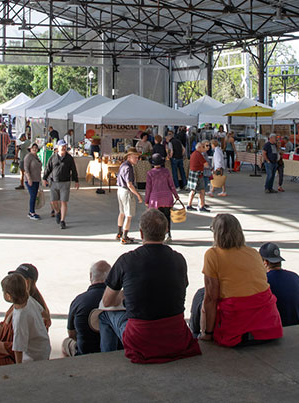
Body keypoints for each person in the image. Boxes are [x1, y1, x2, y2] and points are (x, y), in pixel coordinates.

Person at [97, 208, 201, 364]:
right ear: (166, 231)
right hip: (176, 336)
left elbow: (107, 301)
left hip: (141, 340)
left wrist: (125, 294)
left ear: (141, 233)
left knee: (104, 314)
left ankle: (107, 359)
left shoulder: (126, 261)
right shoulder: (179, 259)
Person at [197, 214, 282, 347]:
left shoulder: (213, 254)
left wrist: (208, 333)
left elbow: (211, 298)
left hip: (236, 330)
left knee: (202, 298)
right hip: (268, 326)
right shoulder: (253, 252)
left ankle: (203, 334)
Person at [63, 260, 110, 357]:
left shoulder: (78, 301)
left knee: (65, 343)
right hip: (113, 352)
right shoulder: (119, 299)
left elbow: (71, 334)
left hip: (84, 353)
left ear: (90, 276)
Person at [2, 273, 51, 363]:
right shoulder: (30, 299)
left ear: (8, 296)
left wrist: (19, 366)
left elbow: (18, 347)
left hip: (33, 357)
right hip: (44, 347)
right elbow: (44, 314)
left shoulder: (19, 318)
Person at [259, 243, 299, 327]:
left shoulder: (264, 282)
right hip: (298, 328)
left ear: (265, 262)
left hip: (279, 331)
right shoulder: (295, 277)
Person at [42, 141, 79, 229]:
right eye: (62, 146)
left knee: (63, 202)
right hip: (54, 182)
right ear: (57, 148)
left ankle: (62, 220)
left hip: (65, 183)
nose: (63, 148)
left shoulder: (69, 158)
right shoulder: (53, 158)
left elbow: (73, 170)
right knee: (53, 201)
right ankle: (57, 212)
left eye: (65, 146)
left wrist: (76, 181)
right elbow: (48, 168)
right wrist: (44, 178)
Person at [145, 153, 178, 244]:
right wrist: (176, 195)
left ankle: (158, 236)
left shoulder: (150, 173)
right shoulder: (166, 171)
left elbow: (148, 188)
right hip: (167, 197)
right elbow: (171, 184)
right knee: (167, 217)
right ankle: (168, 234)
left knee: (156, 218)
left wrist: (146, 200)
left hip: (155, 199)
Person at [115, 151, 143, 244]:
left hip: (120, 190)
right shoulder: (128, 168)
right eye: (135, 157)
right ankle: (124, 237)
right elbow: (129, 184)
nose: (137, 159)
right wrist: (138, 195)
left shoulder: (123, 165)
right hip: (126, 192)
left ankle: (119, 233)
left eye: (137, 157)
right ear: (129, 157)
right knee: (129, 215)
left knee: (122, 212)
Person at [186, 140, 211, 212]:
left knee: (193, 191)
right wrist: (210, 167)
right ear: (199, 148)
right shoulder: (199, 154)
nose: (204, 148)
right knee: (202, 190)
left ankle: (189, 205)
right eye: (203, 147)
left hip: (193, 173)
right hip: (198, 174)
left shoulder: (193, 154)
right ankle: (201, 206)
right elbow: (206, 164)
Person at [22, 142, 42, 220]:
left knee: (35, 196)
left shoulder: (36, 156)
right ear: (30, 149)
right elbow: (26, 168)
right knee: (33, 196)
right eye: (33, 148)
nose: (34, 149)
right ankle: (31, 212)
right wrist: (29, 178)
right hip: (30, 180)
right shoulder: (28, 157)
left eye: (36, 148)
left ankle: (32, 211)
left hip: (36, 179)